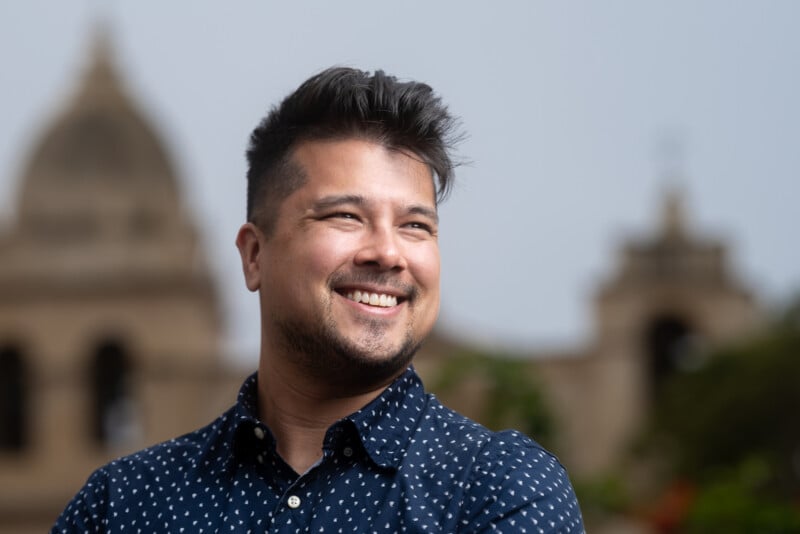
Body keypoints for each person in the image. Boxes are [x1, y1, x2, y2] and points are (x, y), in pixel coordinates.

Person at [53, 67, 585, 533]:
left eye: (415, 225)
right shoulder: (122, 508)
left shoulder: (500, 488)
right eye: (345, 217)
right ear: (254, 255)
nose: (388, 252)